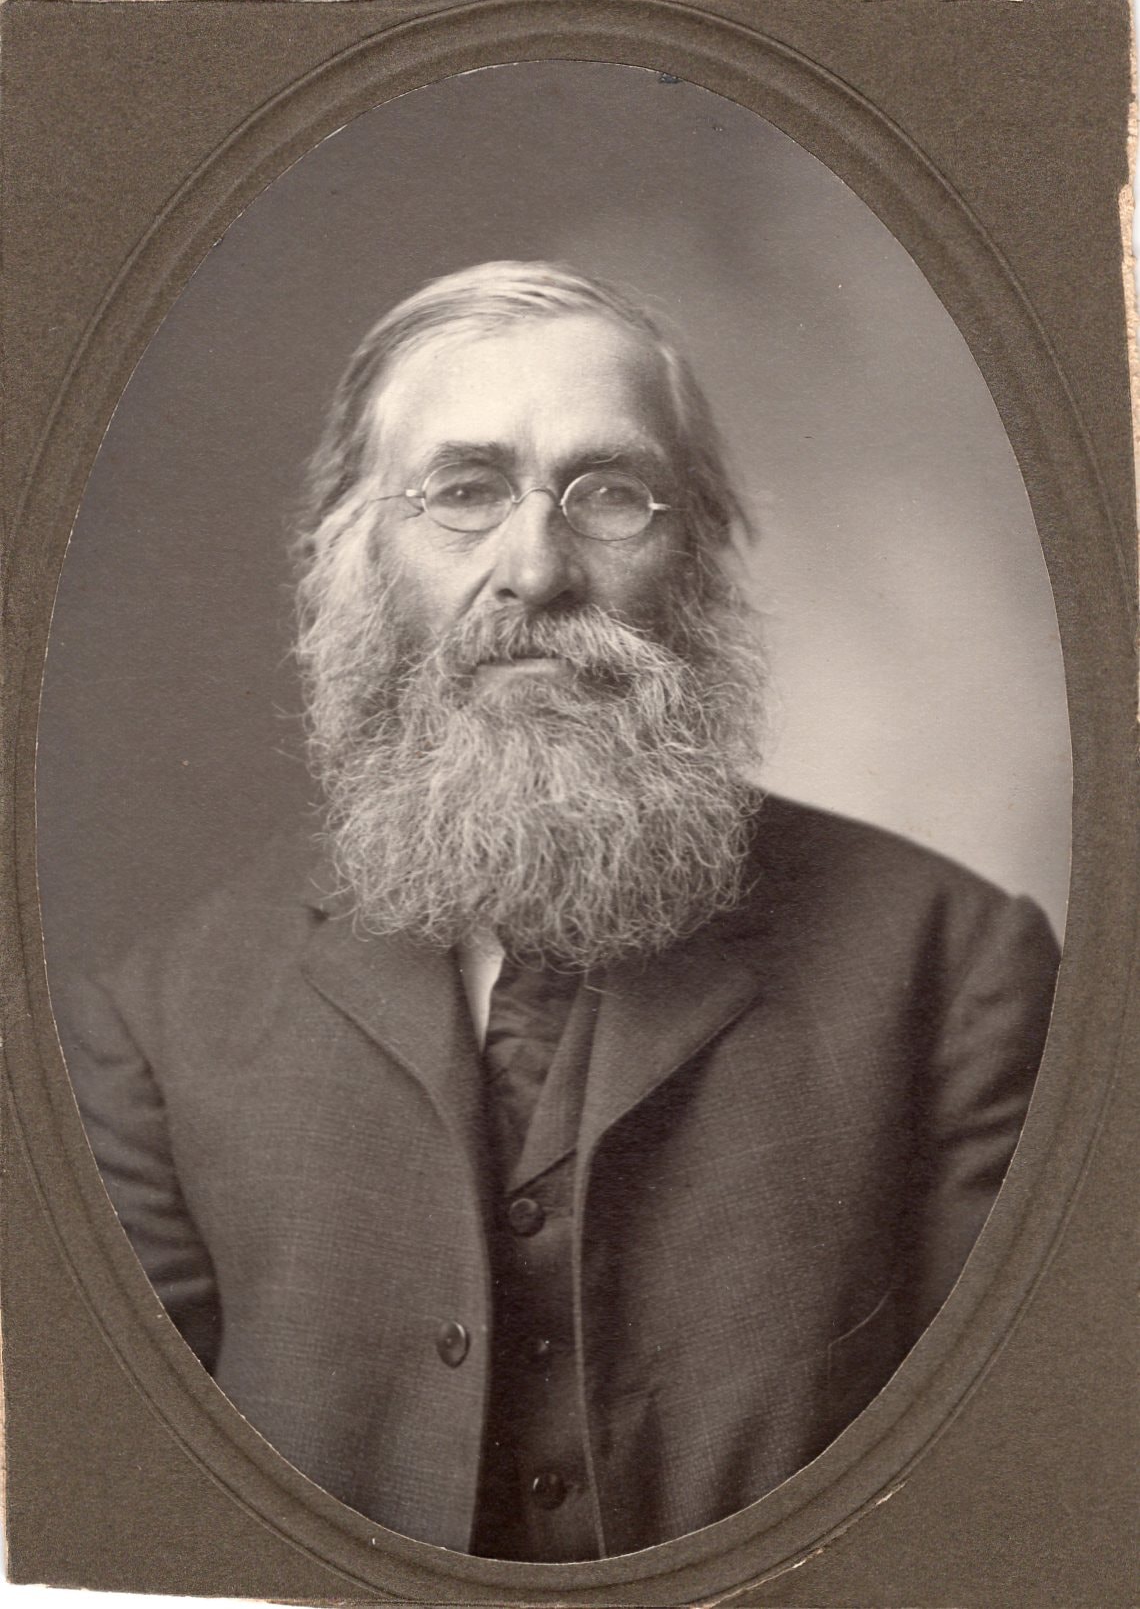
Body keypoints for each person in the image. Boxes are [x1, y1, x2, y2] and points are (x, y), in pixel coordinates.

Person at [63, 261, 1059, 1562]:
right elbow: (144, 1543)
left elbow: (1005, 1513)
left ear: (696, 556)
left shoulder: (960, 969)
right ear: (349, 557)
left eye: (609, 495)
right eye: (464, 491)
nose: (535, 569)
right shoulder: (158, 1025)